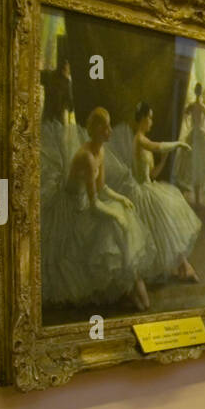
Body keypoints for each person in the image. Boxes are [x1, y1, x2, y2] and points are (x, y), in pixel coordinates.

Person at [64, 107, 152, 311]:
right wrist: (115, 215)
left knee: (122, 216)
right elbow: (94, 204)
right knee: (114, 224)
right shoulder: (86, 156)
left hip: (89, 202)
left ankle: (131, 282)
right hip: (76, 209)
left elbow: (102, 188)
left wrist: (121, 199)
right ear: (96, 129)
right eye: (106, 127)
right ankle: (129, 286)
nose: (110, 130)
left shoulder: (100, 150)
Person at [116, 102, 203, 284]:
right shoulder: (139, 139)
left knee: (167, 227)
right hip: (141, 193)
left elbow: (153, 173)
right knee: (161, 229)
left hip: (149, 187)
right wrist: (178, 144)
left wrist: (163, 161)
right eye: (150, 118)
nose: (152, 122)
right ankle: (183, 267)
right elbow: (158, 147)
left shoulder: (143, 140)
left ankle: (183, 267)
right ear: (143, 118)